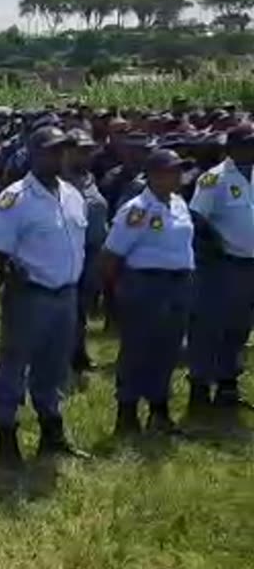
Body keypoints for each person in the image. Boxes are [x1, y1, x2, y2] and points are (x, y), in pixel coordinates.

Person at [0, 126, 90, 468]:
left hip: (65, 294)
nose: (57, 157)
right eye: (50, 151)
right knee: (15, 366)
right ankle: (7, 436)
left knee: (54, 367)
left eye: (62, 150)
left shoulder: (72, 194)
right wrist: (12, 275)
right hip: (31, 296)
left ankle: (51, 433)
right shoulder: (16, 198)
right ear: (33, 154)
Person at [101, 148, 193, 436]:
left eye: (180, 170)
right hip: (145, 285)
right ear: (153, 175)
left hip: (178, 284)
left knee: (168, 349)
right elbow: (111, 255)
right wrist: (114, 295)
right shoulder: (137, 209)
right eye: (172, 171)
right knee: (138, 349)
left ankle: (159, 410)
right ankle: (127, 414)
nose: (179, 176)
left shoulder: (178, 203)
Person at [187, 124, 254, 413]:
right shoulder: (214, 179)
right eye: (248, 144)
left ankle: (228, 384)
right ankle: (200, 386)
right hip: (223, 265)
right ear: (232, 147)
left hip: (250, 265)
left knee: (239, 327)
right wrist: (215, 246)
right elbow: (197, 218)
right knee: (210, 326)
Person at [62, 129, 110, 372]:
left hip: (93, 251)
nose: (86, 156)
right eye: (81, 151)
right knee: (68, 306)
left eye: (88, 151)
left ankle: (78, 351)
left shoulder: (88, 178)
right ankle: (64, 354)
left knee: (82, 306)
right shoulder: (60, 181)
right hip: (70, 250)